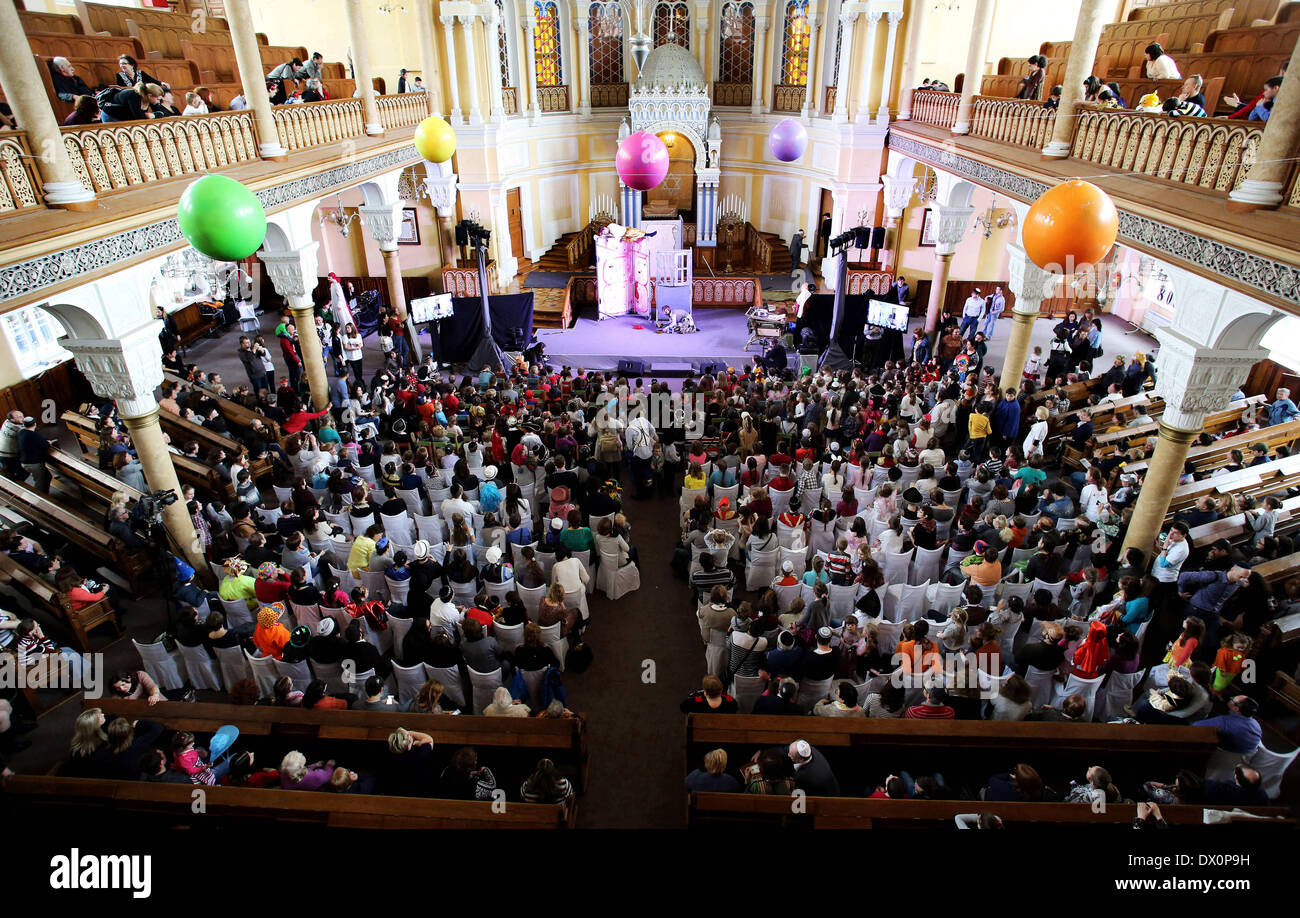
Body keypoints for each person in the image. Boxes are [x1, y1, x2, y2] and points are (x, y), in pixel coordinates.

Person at [1194, 695, 1261, 754]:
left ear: (1236, 709)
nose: (1230, 698)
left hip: (1224, 755)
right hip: (1243, 756)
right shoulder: (1256, 724)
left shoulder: (1224, 722)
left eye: (1232, 699)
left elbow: (1195, 726)